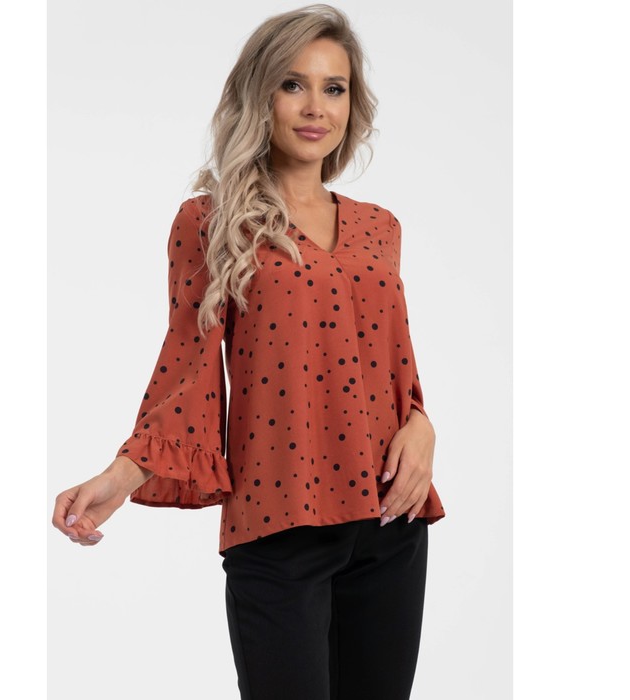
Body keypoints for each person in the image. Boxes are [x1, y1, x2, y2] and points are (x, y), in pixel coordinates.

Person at [52, 4, 446, 698]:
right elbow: (187, 370)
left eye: (334, 87)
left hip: (390, 523)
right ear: (259, 95)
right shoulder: (209, 221)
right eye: (293, 84)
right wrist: (122, 475)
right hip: (278, 525)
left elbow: (394, 368)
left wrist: (423, 424)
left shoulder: (380, 228)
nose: (316, 107)